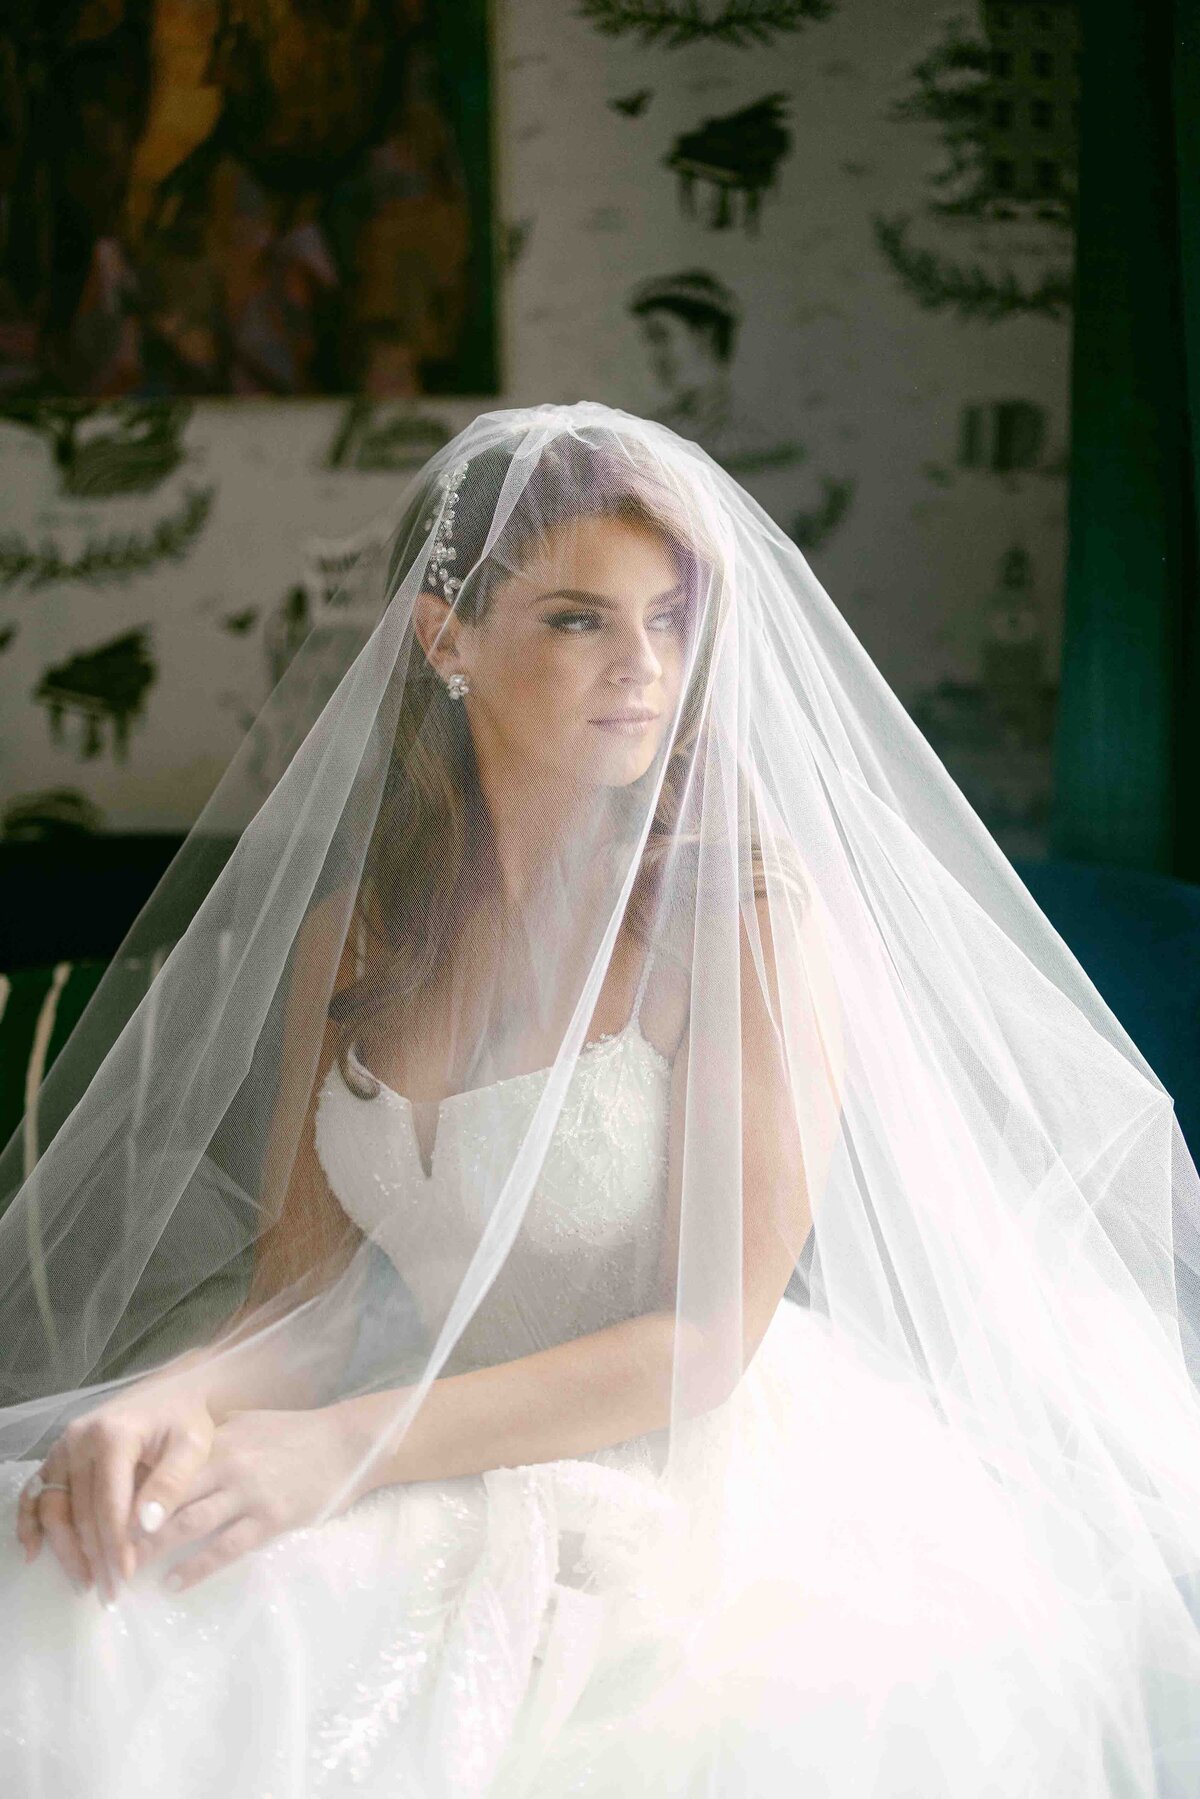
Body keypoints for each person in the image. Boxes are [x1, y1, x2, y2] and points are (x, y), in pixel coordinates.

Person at [3, 401, 1200, 1796]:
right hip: (414, 1438)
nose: (644, 669)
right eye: (579, 618)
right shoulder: (357, 936)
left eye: (671, 621)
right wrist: (173, 1406)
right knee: (84, 1592)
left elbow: (703, 1340)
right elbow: (300, 1302)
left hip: (696, 1488)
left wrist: (343, 1449)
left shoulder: (744, 923)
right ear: (444, 639)